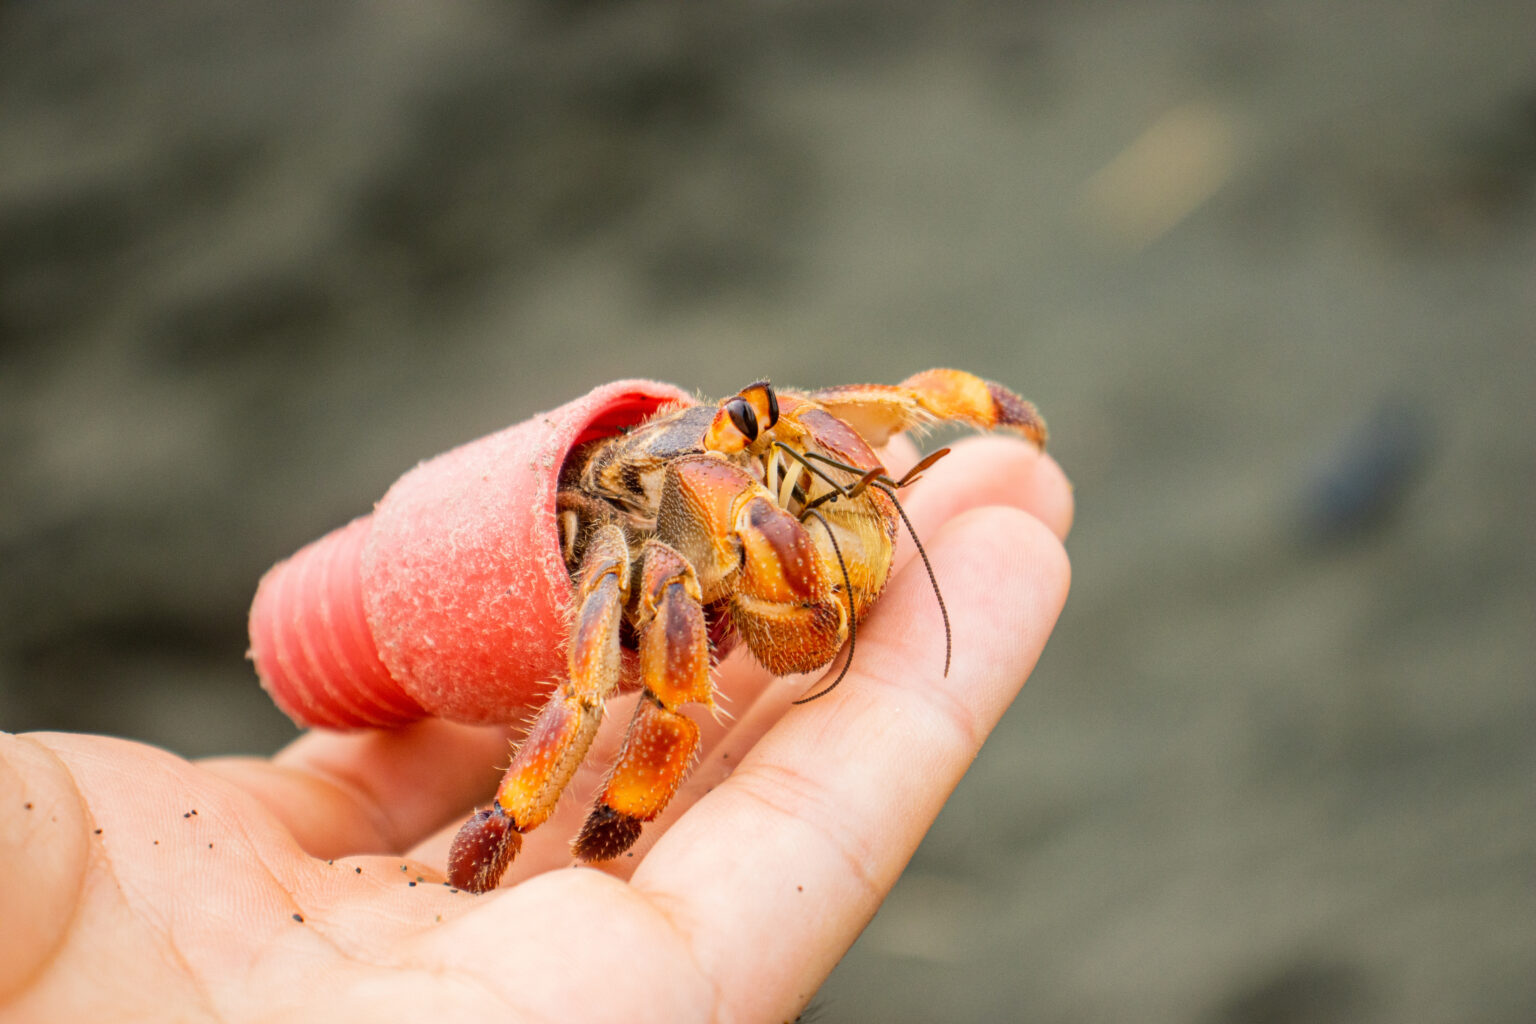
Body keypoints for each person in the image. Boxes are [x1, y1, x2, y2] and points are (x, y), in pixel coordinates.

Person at [0, 436, 1071, 1022]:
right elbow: (624, 674)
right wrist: (534, 820)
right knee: (648, 674)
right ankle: (535, 811)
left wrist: (934, 413)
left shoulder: (733, 467)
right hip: (530, 564)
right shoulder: (651, 552)